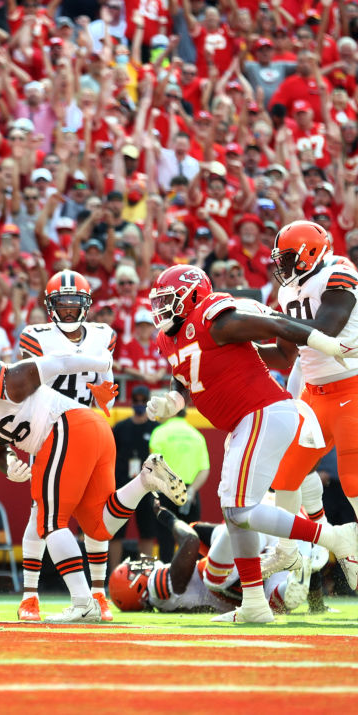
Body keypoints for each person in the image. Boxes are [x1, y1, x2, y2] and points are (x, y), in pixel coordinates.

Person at [146, 264, 358, 623]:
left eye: (170, 299)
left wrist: (327, 344)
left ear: (194, 296)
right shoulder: (169, 337)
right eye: (160, 301)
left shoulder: (218, 320)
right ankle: (256, 605)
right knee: (234, 515)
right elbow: (182, 374)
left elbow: (276, 325)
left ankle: (334, 538)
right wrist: (174, 401)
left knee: (239, 510)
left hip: (262, 412)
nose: (162, 308)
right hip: (245, 421)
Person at [0, 357, 187, 623]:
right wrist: (10, 463)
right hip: (92, 431)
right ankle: (145, 480)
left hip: (65, 427)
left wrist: (99, 362)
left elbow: (57, 363)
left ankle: (83, 603)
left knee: (49, 522)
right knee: (98, 527)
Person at [15, 269, 118, 621]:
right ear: (50, 305)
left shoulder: (103, 334)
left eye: (76, 303)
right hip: (49, 431)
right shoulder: (36, 336)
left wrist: (106, 399)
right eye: (63, 303)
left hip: (89, 430)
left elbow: (107, 384)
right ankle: (30, 595)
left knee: (95, 515)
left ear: (86, 304)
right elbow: (35, 380)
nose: (70, 310)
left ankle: (100, 594)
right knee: (41, 515)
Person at [264, 222, 358, 575]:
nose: (282, 267)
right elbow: (284, 355)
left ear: (311, 252)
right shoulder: (288, 293)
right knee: (286, 476)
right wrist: (240, 347)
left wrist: (269, 322)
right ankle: (287, 551)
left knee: (353, 482)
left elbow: (326, 327)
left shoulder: (339, 272)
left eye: (288, 258)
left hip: (352, 389)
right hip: (314, 396)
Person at [109, 501, 309, 615]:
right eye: (134, 569)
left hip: (245, 583)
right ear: (135, 583)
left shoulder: (167, 604)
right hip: (233, 569)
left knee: (273, 604)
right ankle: (238, 521)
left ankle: (291, 577)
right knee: (215, 575)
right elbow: (190, 541)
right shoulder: (157, 589)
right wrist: (165, 516)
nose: (141, 562)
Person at [149, 406, 210, 561]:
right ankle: (192, 578)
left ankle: (165, 578)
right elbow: (204, 469)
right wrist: (192, 490)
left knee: (165, 539)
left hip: (165, 491)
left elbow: (154, 463)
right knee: (192, 537)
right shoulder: (196, 435)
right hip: (189, 492)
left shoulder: (159, 433)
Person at [112, 386, 160, 564]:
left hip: (147, 488)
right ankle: (113, 576)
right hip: (122, 485)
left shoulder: (156, 428)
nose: (139, 404)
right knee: (115, 533)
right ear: (131, 402)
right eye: (136, 401)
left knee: (147, 533)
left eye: (143, 401)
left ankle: (147, 575)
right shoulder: (120, 427)